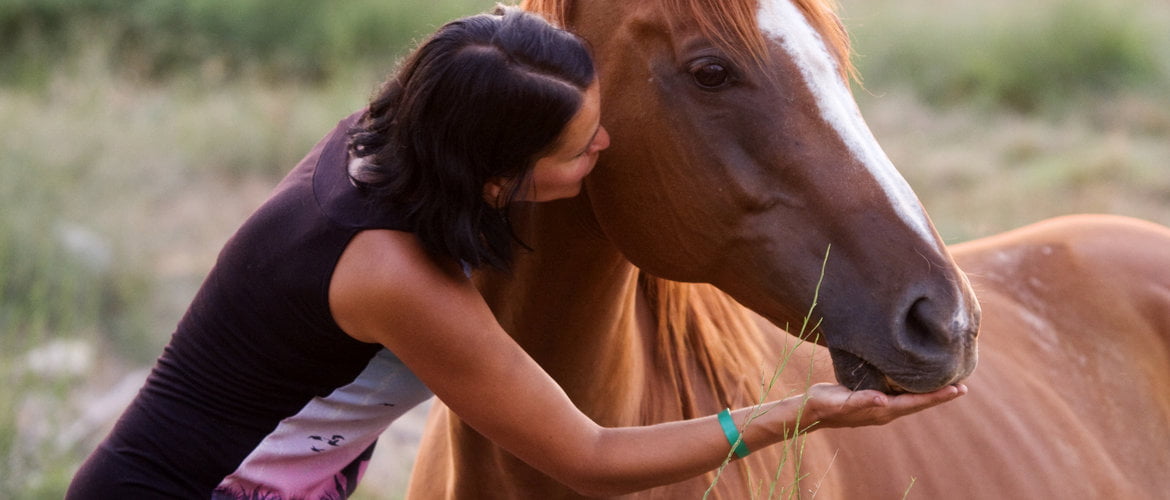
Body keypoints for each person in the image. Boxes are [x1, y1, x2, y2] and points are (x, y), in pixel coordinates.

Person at [67, 6, 966, 499]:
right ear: (499, 180)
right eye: (580, 152)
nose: (603, 152)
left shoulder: (411, 140)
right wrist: (794, 414)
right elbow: (586, 458)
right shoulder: (392, 274)